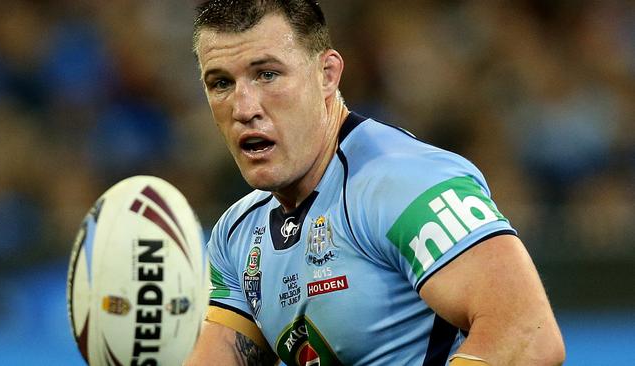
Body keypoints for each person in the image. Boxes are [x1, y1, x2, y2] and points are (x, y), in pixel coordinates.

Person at [185, 1, 565, 365]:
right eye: (221, 83)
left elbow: (526, 335)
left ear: (327, 75)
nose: (244, 107)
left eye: (267, 74)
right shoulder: (237, 234)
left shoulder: (402, 182)